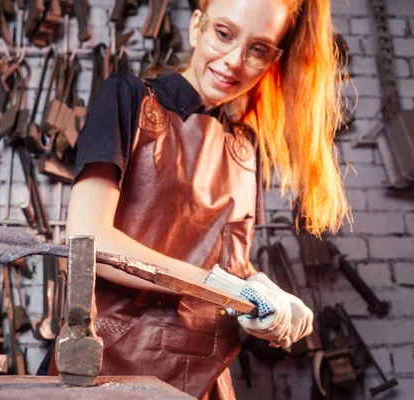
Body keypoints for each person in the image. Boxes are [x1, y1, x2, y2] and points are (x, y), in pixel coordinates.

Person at [46, 0, 352, 398]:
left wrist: (264, 293)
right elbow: (90, 240)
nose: (234, 62)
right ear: (197, 28)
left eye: (258, 49)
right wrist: (225, 288)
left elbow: (231, 265)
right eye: (224, 34)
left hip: (205, 378)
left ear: (273, 60)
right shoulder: (129, 98)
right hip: (109, 370)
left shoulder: (245, 147)